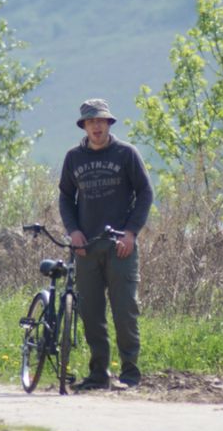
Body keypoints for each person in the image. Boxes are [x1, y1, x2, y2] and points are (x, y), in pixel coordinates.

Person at [58, 98, 154, 390]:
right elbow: (65, 197)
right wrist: (73, 232)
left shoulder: (127, 154)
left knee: (125, 310)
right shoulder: (74, 158)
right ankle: (99, 373)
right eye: (91, 122)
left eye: (100, 121)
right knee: (91, 313)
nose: (96, 127)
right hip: (86, 248)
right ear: (84, 126)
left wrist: (131, 233)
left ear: (109, 123)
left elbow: (145, 193)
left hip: (119, 246)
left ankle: (130, 373)